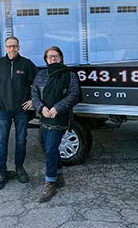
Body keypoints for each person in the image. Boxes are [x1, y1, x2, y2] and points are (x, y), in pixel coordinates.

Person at [31, 46, 81, 202]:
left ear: (61, 58)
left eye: (55, 56)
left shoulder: (69, 75)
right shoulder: (40, 75)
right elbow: (34, 93)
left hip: (60, 117)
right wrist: (41, 107)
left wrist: (57, 108)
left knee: (52, 149)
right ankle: (59, 175)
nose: (52, 59)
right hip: (45, 116)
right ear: (46, 60)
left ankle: (50, 182)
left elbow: (74, 95)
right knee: (48, 149)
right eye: (49, 57)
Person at [0, 36, 38, 191]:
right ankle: (1, 173)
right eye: (9, 46)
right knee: (2, 141)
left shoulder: (26, 64)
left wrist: (33, 100)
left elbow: (37, 83)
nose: (12, 49)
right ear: (5, 48)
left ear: (19, 47)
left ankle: (20, 169)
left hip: (21, 110)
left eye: (14, 46)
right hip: (3, 109)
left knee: (20, 141)